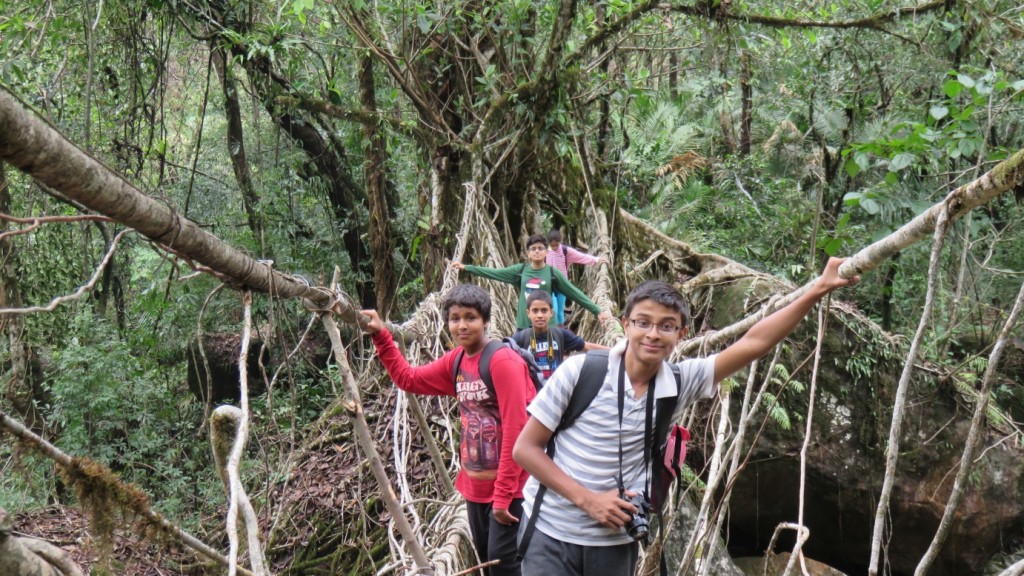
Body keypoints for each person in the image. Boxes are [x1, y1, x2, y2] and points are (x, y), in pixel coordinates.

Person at [512, 258, 857, 576]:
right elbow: (525, 449)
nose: (652, 334)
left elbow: (754, 342)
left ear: (682, 334)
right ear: (625, 324)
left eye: (666, 326)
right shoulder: (580, 371)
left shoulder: (680, 382)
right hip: (549, 531)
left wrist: (818, 289)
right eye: (643, 322)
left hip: (614, 542)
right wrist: (588, 500)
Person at [361, 284, 535, 576]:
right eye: (455, 318)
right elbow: (408, 378)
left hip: (511, 488)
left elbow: (518, 430)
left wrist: (504, 495)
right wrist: (381, 336)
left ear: (486, 321)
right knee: (487, 561)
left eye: (471, 317)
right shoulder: (456, 362)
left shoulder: (503, 362)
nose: (462, 325)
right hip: (475, 488)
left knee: (504, 564)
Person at [451, 234, 612, 330]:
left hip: (547, 327)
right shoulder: (520, 270)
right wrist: (467, 267)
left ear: (546, 252)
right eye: (533, 249)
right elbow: (494, 273)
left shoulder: (552, 273)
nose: (537, 251)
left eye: (540, 248)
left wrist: (597, 311)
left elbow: (573, 292)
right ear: (528, 253)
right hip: (524, 326)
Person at [512, 291, 608, 380]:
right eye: (535, 311)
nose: (540, 315)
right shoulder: (520, 338)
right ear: (528, 313)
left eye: (544, 311)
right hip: (532, 394)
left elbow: (586, 346)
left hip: (555, 391)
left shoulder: (560, 334)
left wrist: (616, 351)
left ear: (551, 313)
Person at [546, 229, 603, 327]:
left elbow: (581, 257)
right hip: (548, 285)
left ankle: (561, 332)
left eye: (557, 245)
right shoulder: (544, 252)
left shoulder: (565, 251)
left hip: (562, 284)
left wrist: (597, 260)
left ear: (560, 241)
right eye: (552, 245)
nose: (554, 247)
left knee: (560, 311)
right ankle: (552, 332)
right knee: (553, 309)